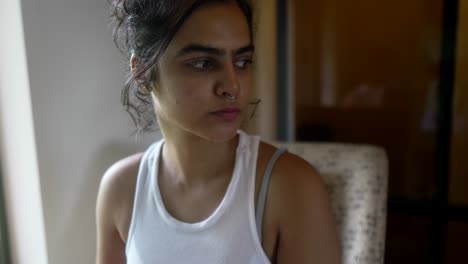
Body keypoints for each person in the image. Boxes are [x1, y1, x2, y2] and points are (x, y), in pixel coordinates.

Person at [96, 0, 340, 263]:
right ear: (142, 72)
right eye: (203, 63)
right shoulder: (121, 190)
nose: (232, 86)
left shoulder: (291, 188)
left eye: (243, 61)